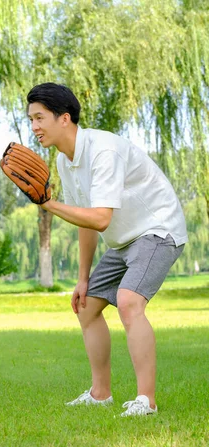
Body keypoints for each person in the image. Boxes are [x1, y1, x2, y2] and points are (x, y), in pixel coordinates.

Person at [26, 83, 187, 417]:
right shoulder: (63, 161)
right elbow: (88, 222)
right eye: (31, 120)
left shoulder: (103, 150)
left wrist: (48, 204)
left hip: (157, 229)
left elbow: (100, 218)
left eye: (39, 118)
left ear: (64, 118)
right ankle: (100, 394)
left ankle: (147, 401)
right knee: (86, 307)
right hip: (123, 239)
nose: (34, 127)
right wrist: (83, 279)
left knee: (129, 302)